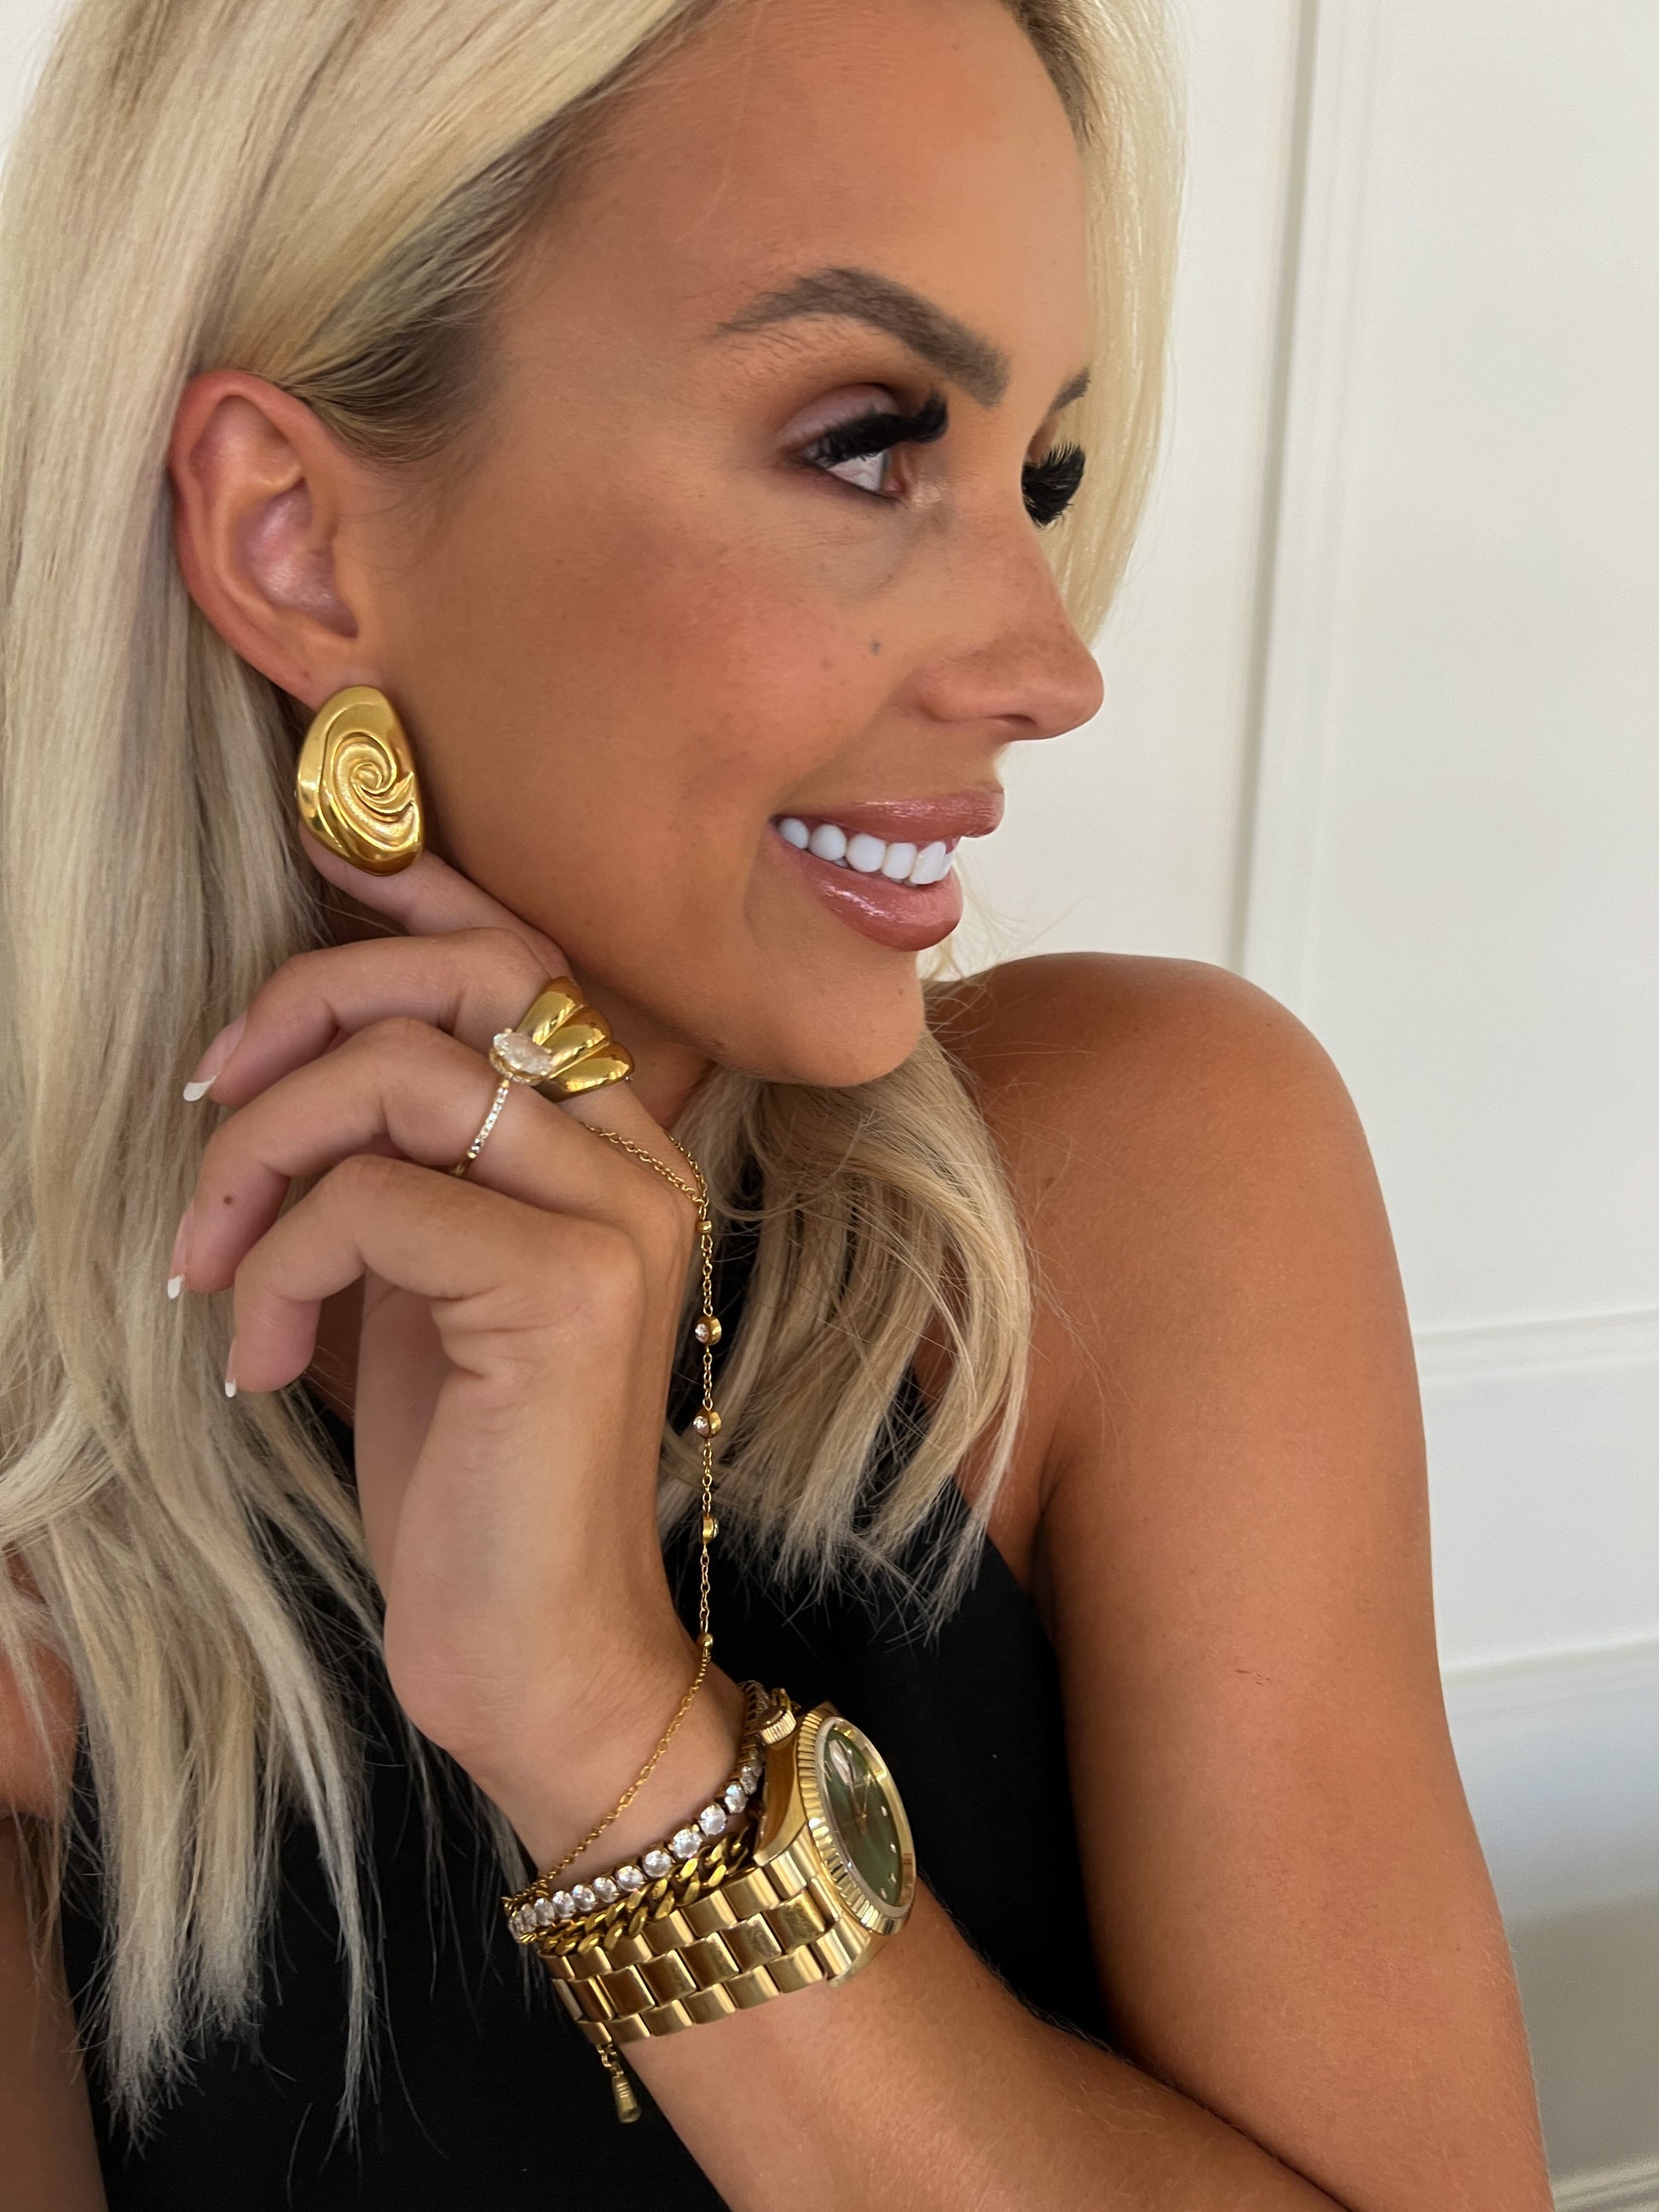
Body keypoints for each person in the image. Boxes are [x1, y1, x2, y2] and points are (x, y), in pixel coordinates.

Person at [0, 0, 1555, 2204]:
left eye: (1040, 471)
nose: (1051, 665)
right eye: (864, 446)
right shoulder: (43, 1473)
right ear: (290, 537)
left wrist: (610, 1736)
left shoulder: (1138, 1190)